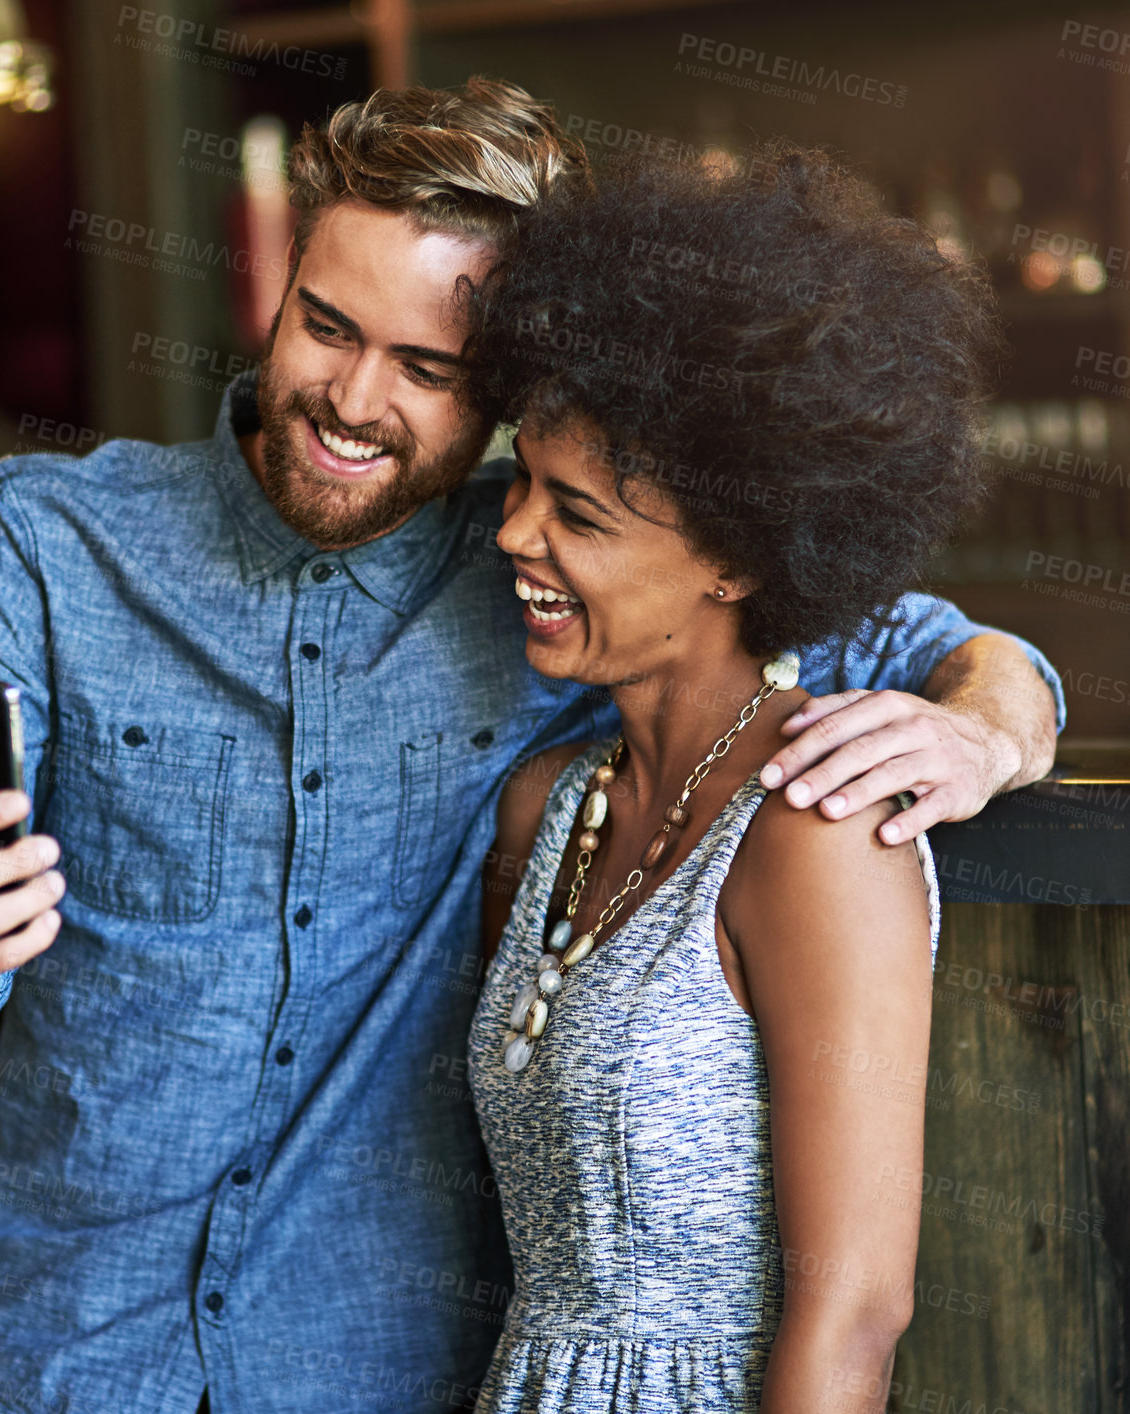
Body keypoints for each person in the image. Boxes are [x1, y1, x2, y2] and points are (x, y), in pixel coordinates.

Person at [0, 80, 1062, 1414]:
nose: (353, 400)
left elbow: (937, 639)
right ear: (282, 274)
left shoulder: (568, 568)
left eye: (429, 370)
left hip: (373, 1375)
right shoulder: (40, 541)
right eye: (326, 326)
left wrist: (987, 728)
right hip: (36, 1358)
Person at [466, 145, 996, 1411]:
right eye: (524, 484)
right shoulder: (546, 811)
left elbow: (856, 1312)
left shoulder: (818, 828)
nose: (512, 535)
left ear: (738, 558)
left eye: (577, 515)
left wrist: (997, 711)